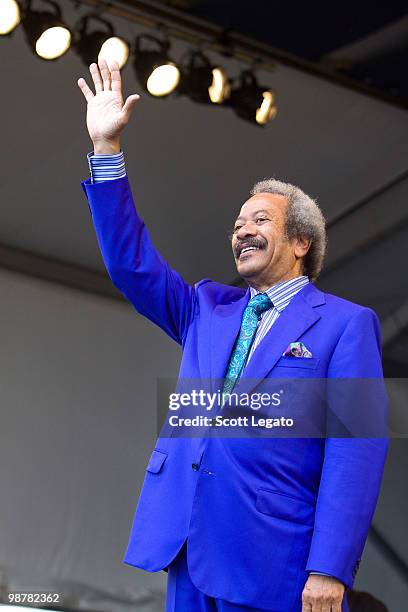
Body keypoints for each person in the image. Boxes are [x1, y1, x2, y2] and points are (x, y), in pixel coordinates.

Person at [77, 59, 388, 612]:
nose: (242, 230)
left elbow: (355, 452)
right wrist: (107, 152)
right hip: (190, 546)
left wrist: (330, 568)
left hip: (276, 561)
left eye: (259, 221)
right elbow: (131, 265)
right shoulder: (205, 308)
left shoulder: (344, 324)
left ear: (300, 243)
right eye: (238, 224)